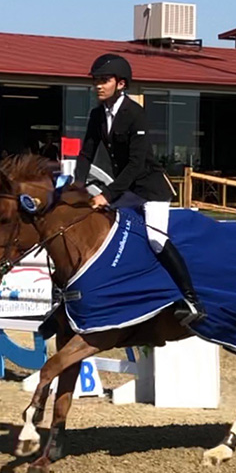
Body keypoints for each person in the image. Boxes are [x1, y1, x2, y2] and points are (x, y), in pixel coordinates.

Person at [75, 53, 206, 325]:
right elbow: (86, 154)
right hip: (126, 189)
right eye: (96, 81)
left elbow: (135, 164)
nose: (98, 86)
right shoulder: (97, 115)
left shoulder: (135, 113)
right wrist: (75, 188)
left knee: (156, 240)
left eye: (104, 81)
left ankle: (192, 300)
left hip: (150, 189)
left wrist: (107, 194)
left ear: (121, 84)